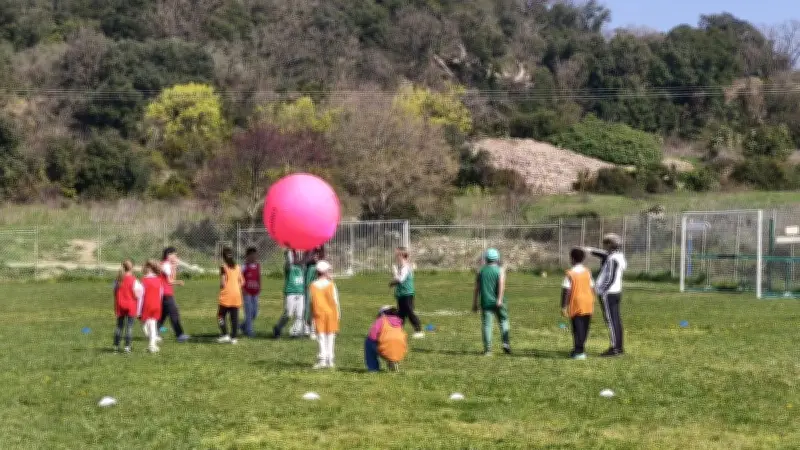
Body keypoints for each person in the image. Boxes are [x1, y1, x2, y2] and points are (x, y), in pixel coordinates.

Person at [587, 233, 628, 357]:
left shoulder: (612, 259)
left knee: (611, 321)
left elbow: (610, 278)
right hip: (615, 292)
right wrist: (590, 250)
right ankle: (619, 347)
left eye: (605, 244)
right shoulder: (618, 256)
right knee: (615, 320)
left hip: (608, 294)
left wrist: (601, 290)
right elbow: (603, 254)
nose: (604, 247)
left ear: (610, 245)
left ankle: (615, 348)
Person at [473, 248, 511, 356]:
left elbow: (477, 288)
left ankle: (488, 350)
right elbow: (501, 286)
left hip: (485, 302)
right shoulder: (500, 271)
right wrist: (499, 299)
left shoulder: (480, 271)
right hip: (499, 302)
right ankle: (505, 342)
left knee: (487, 325)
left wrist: (475, 303)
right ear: (497, 258)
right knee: (503, 321)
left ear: (486, 258)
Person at [561, 248, 595, 360]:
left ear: (572, 259)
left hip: (577, 302)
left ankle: (579, 351)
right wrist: (592, 300)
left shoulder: (570, 273)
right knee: (585, 327)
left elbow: (566, 291)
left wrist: (564, 306)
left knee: (577, 328)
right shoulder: (587, 272)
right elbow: (592, 287)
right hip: (588, 302)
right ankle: (580, 348)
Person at [309, 260, 340, 369]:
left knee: (321, 337)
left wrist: (311, 316)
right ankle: (330, 360)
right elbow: (336, 301)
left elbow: (311, 302)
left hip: (319, 314)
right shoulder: (331, 285)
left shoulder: (313, 285)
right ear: (326, 272)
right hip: (331, 314)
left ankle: (322, 359)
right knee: (330, 336)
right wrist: (338, 315)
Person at [389, 247, 423, 339]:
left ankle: (418, 330)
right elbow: (399, 278)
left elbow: (400, 280)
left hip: (407, 293)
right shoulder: (402, 267)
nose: (396, 257)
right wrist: (395, 273)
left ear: (401, 256)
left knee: (409, 312)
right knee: (401, 314)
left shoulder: (405, 267)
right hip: (401, 294)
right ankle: (398, 331)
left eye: (397, 255)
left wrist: (392, 282)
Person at [158, 247, 190, 342]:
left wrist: (174, 266)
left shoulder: (167, 264)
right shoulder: (166, 265)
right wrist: (178, 282)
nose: (176, 257)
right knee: (174, 313)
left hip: (164, 292)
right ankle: (180, 335)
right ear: (169, 255)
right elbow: (170, 280)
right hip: (166, 292)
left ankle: (154, 332)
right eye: (174, 254)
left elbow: (171, 277)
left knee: (163, 314)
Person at [273, 249, 306, 338]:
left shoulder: (302, 266)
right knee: (288, 313)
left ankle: (295, 332)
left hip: (301, 292)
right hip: (290, 292)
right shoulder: (289, 266)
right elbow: (289, 259)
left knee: (300, 314)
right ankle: (278, 328)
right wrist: (291, 249)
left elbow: (305, 258)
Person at [364, 305, 407, 372]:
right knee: (391, 343)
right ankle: (393, 361)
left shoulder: (381, 320)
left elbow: (372, 336)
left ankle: (373, 368)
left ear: (382, 313)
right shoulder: (399, 322)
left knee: (368, 342)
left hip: (385, 348)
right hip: (400, 351)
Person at [113, 260, 143, 353]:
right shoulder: (134, 280)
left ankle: (116, 346)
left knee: (119, 327)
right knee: (129, 327)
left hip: (120, 305)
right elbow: (137, 294)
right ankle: (127, 347)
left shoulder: (118, 280)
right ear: (132, 268)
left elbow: (114, 292)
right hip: (131, 305)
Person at [217, 247, 244, 344]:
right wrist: (236, 287)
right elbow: (242, 282)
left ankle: (225, 335)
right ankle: (234, 338)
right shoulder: (237, 267)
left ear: (223, 257)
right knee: (234, 318)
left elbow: (223, 283)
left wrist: (222, 286)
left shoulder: (223, 267)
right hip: (237, 295)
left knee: (220, 316)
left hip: (226, 295)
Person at [139, 260, 164, 353]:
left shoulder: (144, 281)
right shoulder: (159, 280)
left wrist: (138, 311)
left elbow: (140, 296)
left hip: (147, 305)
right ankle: (152, 340)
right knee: (151, 324)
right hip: (157, 305)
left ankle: (152, 344)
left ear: (148, 269)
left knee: (146, 325)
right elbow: (161, 294)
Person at [303, 246, 324, 339]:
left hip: (318, 275)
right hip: (310, 272)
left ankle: (314, 327)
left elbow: (323, 257)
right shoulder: (309, 246)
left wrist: (319, 259)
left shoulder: (320, 246)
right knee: (308, 303)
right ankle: (307, 325)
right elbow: (305, 260)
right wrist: (313, 259)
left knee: (318, 304)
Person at [241, 247, 261, 337]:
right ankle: (249, 331)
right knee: (248, 312)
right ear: (247, 256)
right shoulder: (244, 266)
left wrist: (259, 287)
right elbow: (240, 279)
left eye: (255, 255)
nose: (254, 257)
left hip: (255, 293)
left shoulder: (258, 266)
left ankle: (243, 326)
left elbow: (258, 277)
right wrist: (243, 290)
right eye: (251, 255)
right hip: (247, 293)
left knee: (255, 313)